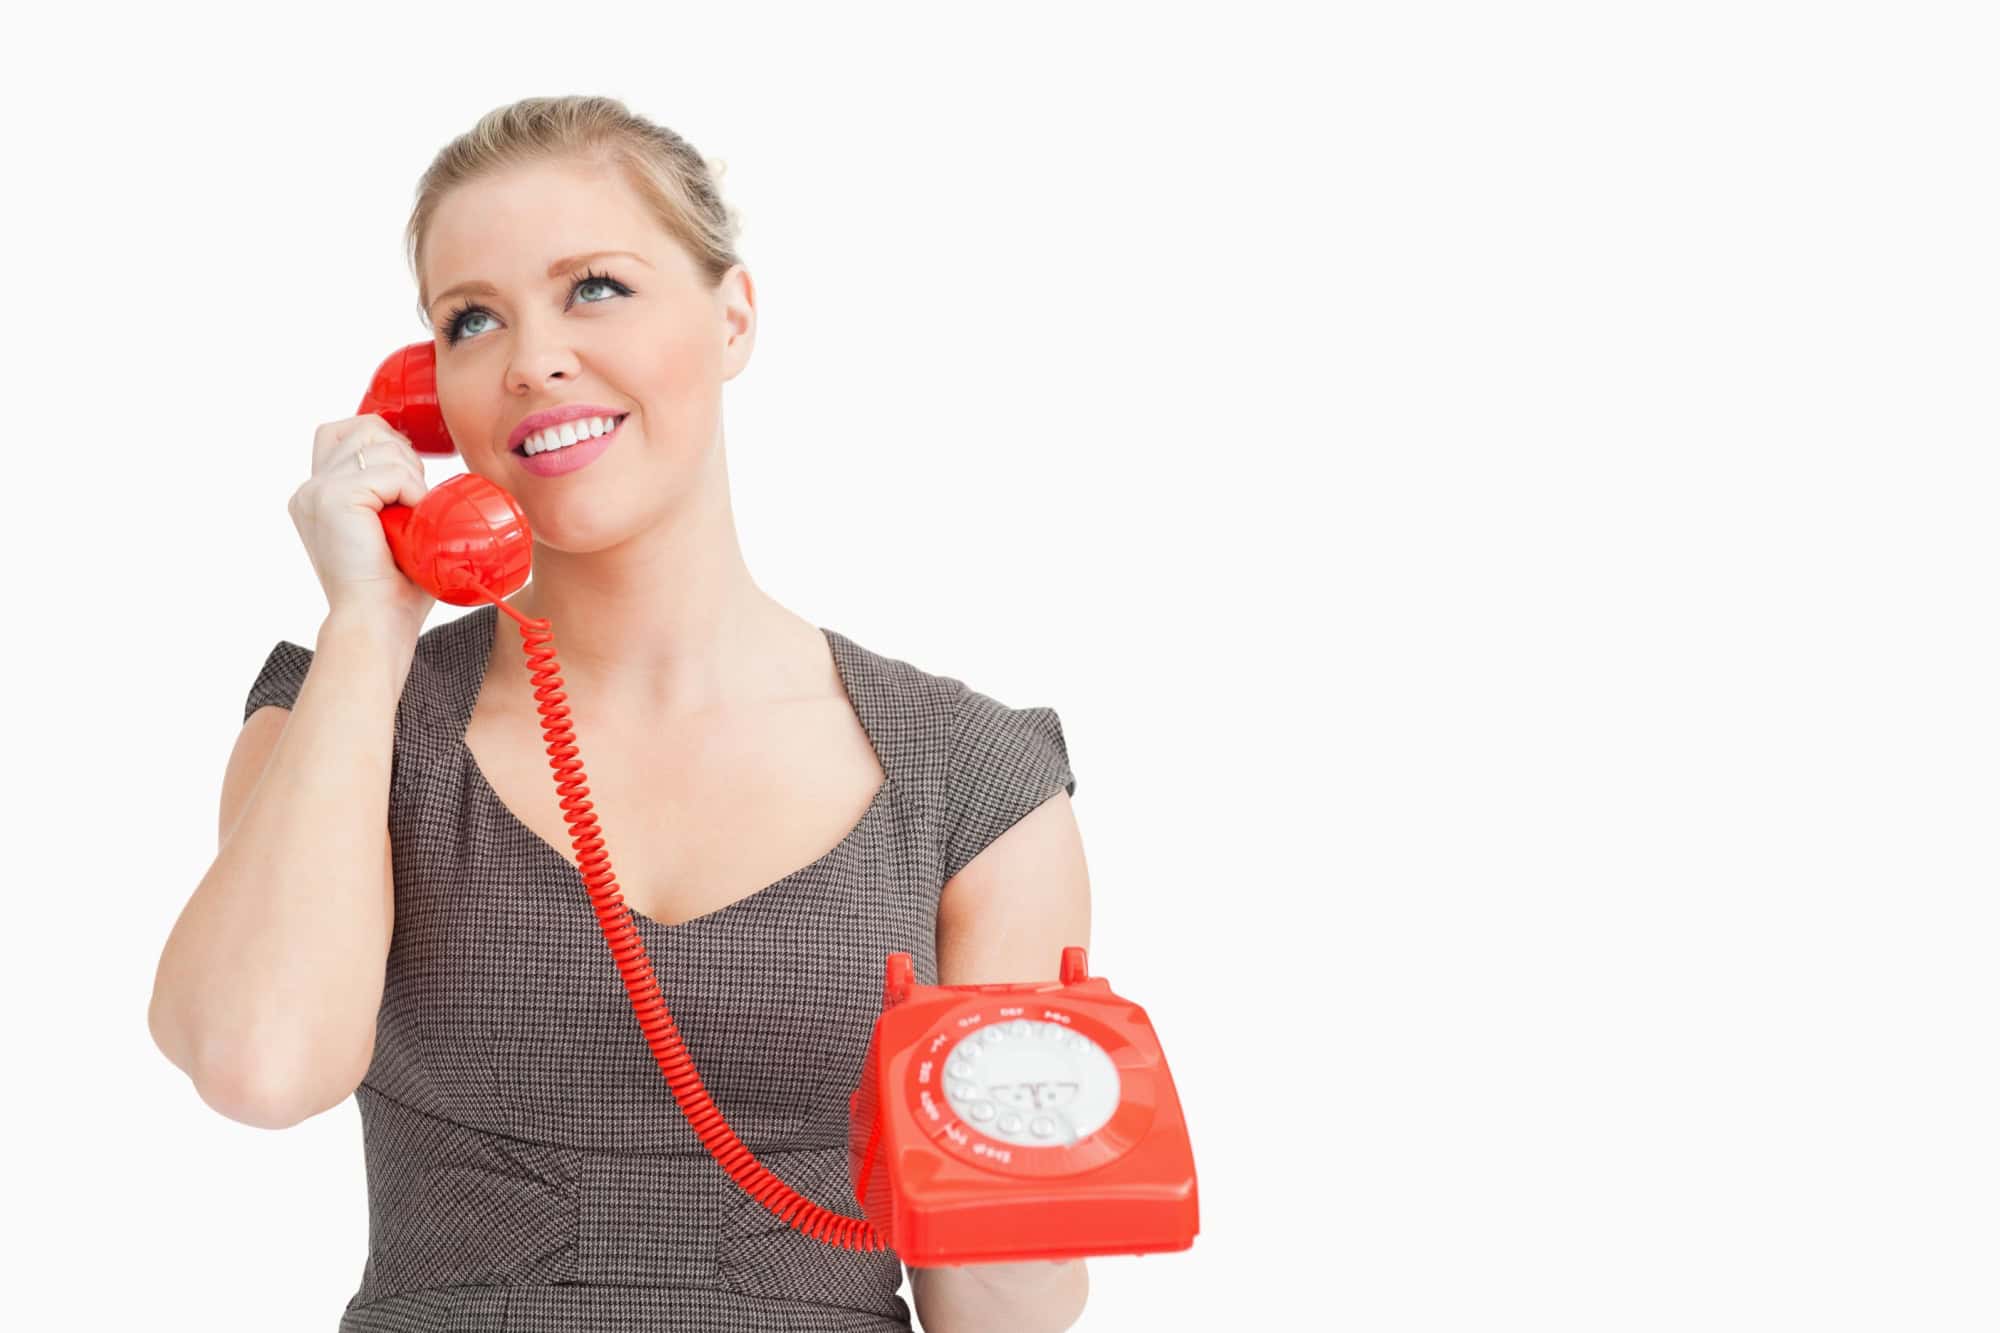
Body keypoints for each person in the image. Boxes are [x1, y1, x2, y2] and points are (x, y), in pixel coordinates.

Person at [149, 94, 1089, 1333]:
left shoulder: (971, 780)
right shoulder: (344, 716)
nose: (531, 359)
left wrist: (1038, 1158)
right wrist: (370, 621)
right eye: (471, 319)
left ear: (732, 316)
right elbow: (259, 1065)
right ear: (425, 392)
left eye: (594, 287)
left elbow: (1001, 1310)